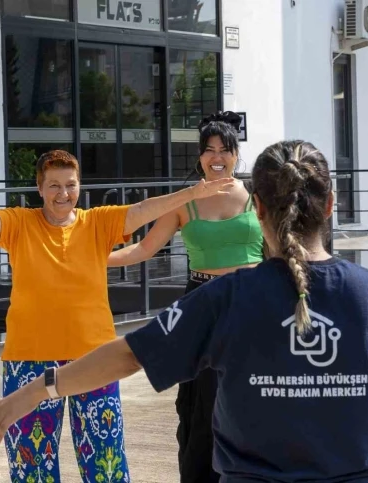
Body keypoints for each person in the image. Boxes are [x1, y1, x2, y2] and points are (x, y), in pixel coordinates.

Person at [0, 141, 368, 483]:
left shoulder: (226, 299)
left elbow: (130, 356)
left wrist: (39, 389)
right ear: (332, 205)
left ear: (254, 206)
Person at [0, 150, 233, 483]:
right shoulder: (19, 224)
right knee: (31, 466)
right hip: (28, 359)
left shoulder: (98, 222)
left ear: (79, 186)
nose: (63, 193)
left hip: (95, 360)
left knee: (106, 464)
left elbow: (143, 209)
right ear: (40, 189)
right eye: (54, 185)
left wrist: (193, 193)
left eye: (70, 184)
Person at [107, 111, 263, 483]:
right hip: (202, 306)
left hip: (252, 306)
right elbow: (143, 249)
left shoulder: (259, 197)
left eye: (224, 149)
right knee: (202, 406)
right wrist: (87, 261)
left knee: (254, 399)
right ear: (199, 156)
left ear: (237, 153)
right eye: (209, 150)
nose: (216, 157)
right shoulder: (184, 203)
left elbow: (280, 249)